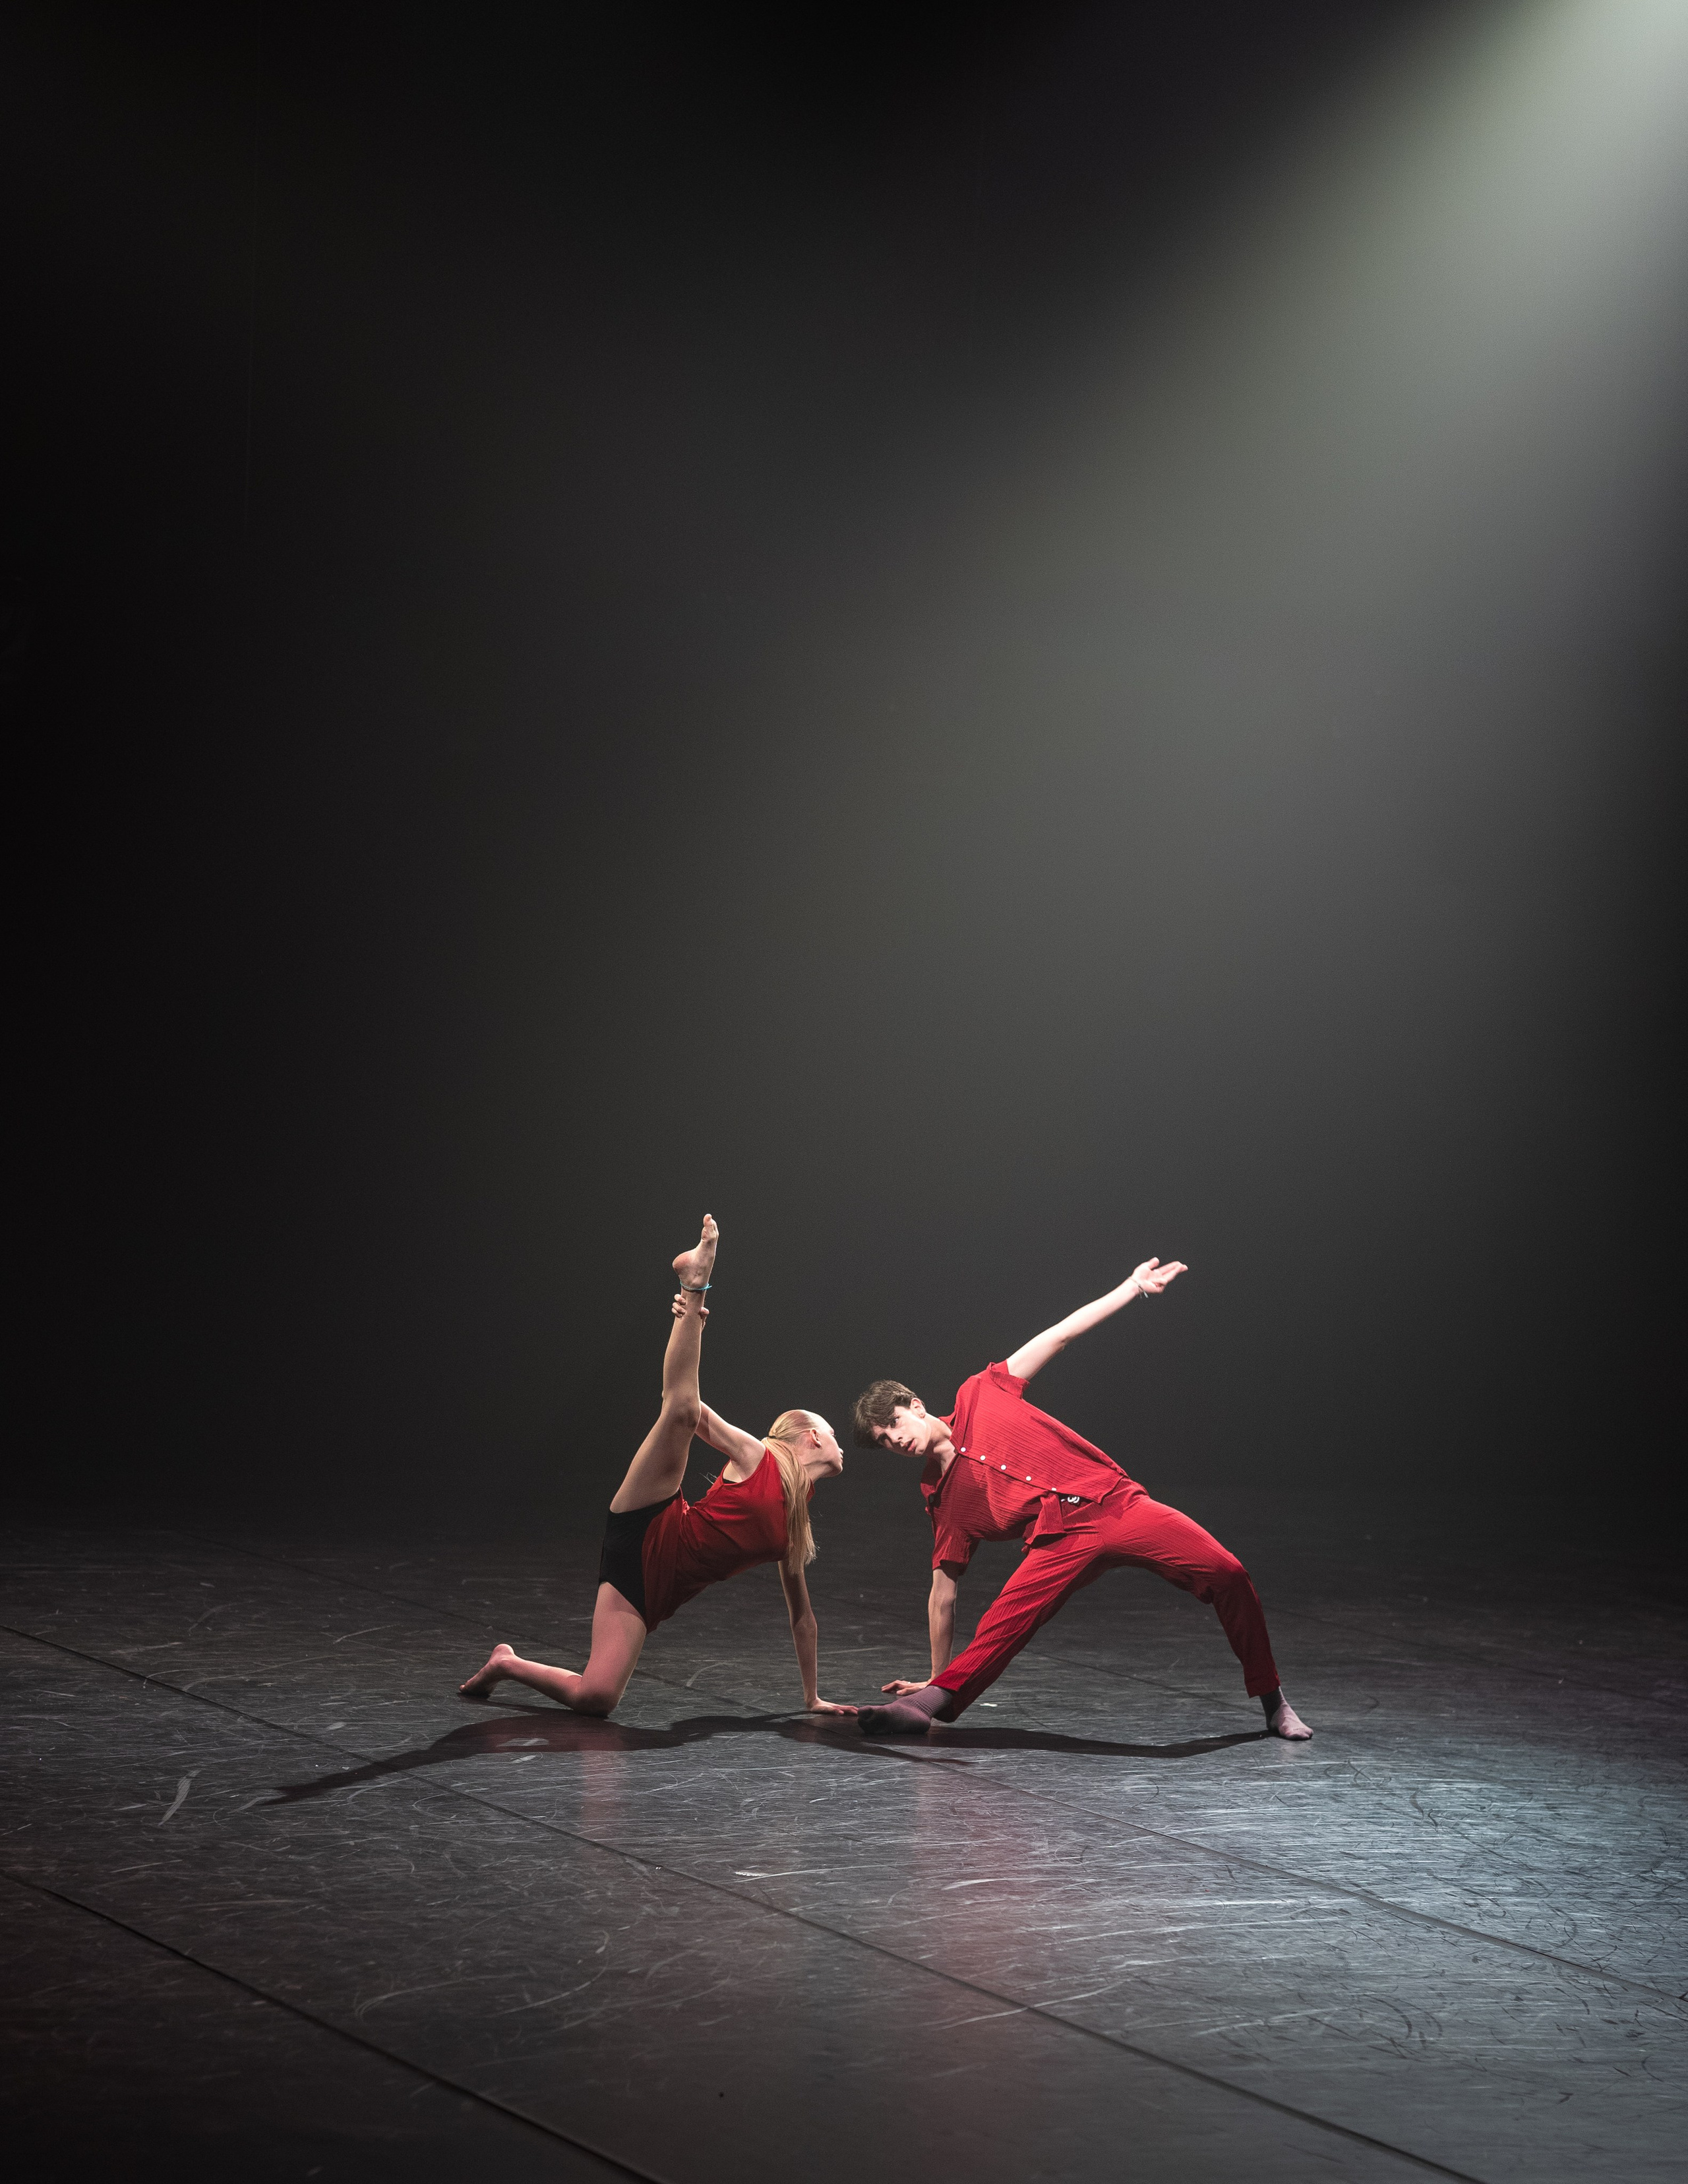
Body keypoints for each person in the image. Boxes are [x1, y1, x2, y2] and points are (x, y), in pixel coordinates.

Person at [851, 1255, 1311, 1740]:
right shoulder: (941, 1497)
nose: (895, 1440)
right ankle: (932, 1701)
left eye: (894, 1424)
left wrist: (1132, 1287)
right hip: (1058, 1543)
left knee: (1228, 1573)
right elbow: (942, 1594)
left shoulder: (982, 1390)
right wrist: (935, 1673)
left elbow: (1061, 1334)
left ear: (915, 1406)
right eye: (883, 1440)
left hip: (1115, 1503)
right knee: (1003, 1623)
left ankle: (1273, 1701)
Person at [460, 1216, 855, 1718]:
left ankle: (506, 1663)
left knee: (596, 1698)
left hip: (653, 1590)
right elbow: (688, 1408)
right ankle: (696, 1279)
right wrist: (691, 1317)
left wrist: (812, 1697)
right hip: (655, 1524)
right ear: (814, 1437)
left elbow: (803, 1617)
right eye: (836, 1435)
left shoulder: (797, 1516)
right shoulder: (759, 1456)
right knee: (682, 1410)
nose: (842, 1445)